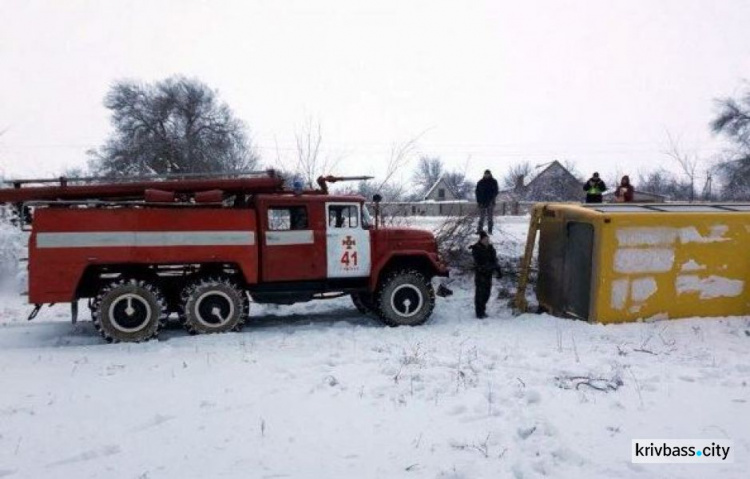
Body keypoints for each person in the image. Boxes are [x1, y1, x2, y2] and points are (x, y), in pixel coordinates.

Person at [470, 231, 502, 319]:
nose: (487, 241)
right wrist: (486, 267)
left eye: (488, 239)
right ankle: (479, 312)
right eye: (485, 239)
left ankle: (483, 310)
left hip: (488, 275)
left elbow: (494, 260)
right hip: (480, 275)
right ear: (481, 240)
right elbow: (478, 263)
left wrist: (498, 270)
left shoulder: (491, 249)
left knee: (487, 294)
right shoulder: (476, 249)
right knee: (480, 294)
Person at [475, 169, 499, 234]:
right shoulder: (480, 182)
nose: (486, 175)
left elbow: (496, 192)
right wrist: (479, 201)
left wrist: (490, 199)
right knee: (481, 217)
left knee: (490, 217)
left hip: (490, 202)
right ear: (484, 174)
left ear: (490, 174)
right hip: (482, 203)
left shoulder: (494, 182)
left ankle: (490, 230)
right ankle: (479, 230)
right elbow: (477, 193)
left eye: (488, 174)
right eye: (485, 174)